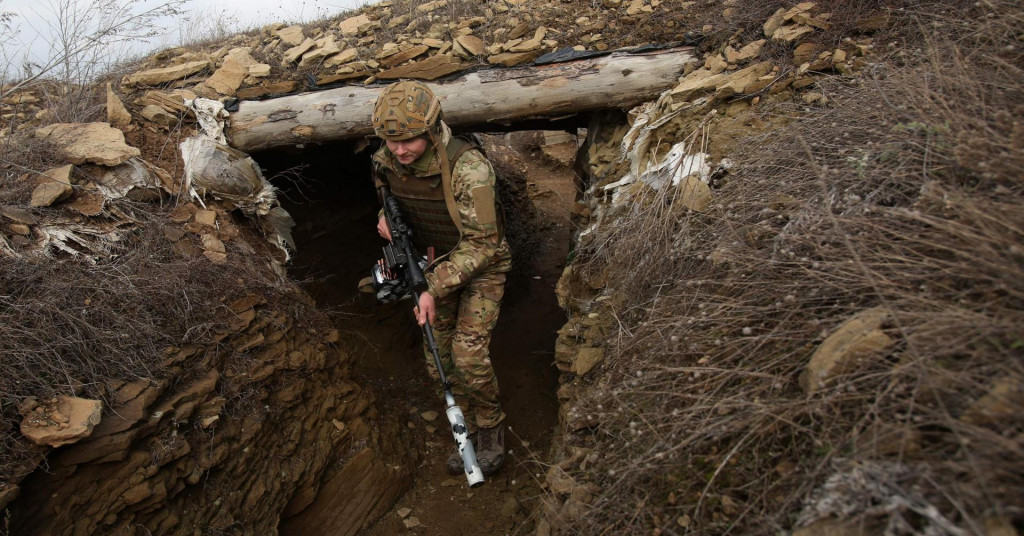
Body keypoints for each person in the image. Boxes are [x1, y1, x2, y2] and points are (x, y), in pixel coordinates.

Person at [370, 80, 512, 476]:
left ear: (432, 130)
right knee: (439, 359)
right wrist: (384, 219)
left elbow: (483, 244)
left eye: (409, 140)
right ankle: (464, 425)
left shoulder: (469, 168)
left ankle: (490, 427)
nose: (400, 150)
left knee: (468, 356)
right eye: (391, 141)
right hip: (433, 264)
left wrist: (430, 288)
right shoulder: (385, 160)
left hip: (483, 265)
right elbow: (389, 201)